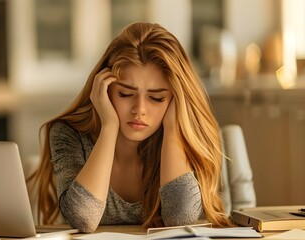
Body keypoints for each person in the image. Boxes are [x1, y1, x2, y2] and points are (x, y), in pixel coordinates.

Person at [28, 22, 232, 233]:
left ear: (176, 100)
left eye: (156, 98)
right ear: (104, 89)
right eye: (125, 94)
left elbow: (181, 219)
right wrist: (109, 126)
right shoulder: (68, 134)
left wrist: (172, 129)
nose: (139, 110)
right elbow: (82, 218)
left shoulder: (190, 137)